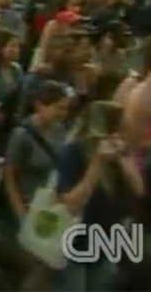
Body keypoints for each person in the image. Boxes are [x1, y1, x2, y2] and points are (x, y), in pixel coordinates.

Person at [56, 101, 145, 291]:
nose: (128, 134)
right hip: (74, 244)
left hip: (105, 243)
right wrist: (97, 162)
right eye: (123, 129)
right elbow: (70, 204)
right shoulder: (74, 151)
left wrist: (122, 158)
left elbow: (139, 189)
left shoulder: (120, 153)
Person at [3, 81, 68, 227]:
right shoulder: (21, 135)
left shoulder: (60, 130)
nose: (63, 114)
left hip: (50, 207)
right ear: (39, 106)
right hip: (27, 205)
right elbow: (10, 178)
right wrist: (21, 214)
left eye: (65, 109)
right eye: (58, 108)